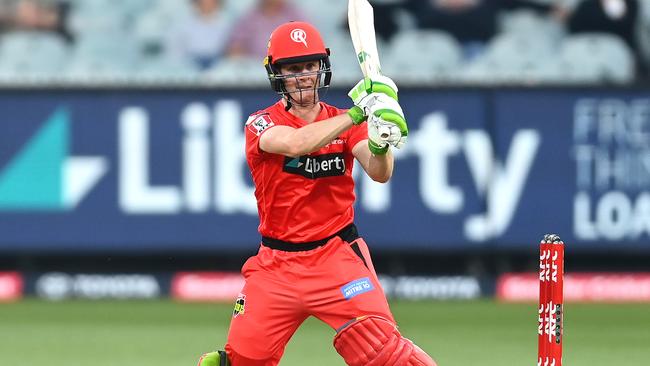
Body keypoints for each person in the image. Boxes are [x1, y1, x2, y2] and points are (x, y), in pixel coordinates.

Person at [196, 21, 436, 366]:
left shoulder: (346, 122)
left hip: (337, 257)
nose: (303, 76)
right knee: (243, 361)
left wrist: (381, 142)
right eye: (293, 68)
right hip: (276, 266)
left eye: (310, 66)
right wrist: (358, 113)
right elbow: (296, 142)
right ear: (276, 73)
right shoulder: (261, 123)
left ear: (321, 68)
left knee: (386, 353)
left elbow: (380, 173)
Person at [226, 0, 306, 60]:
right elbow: (235, 47)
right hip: (256, 71)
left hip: (288, 67)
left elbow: (307, 42)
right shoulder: (250, 16)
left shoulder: (294, 15)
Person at [165, 0, 231, 70]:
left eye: (211, 2)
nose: (207, 6)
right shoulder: (182, 23)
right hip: (189, 65)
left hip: (219, 65)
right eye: (203, 3)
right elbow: (174, 50)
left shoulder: (227, 23)